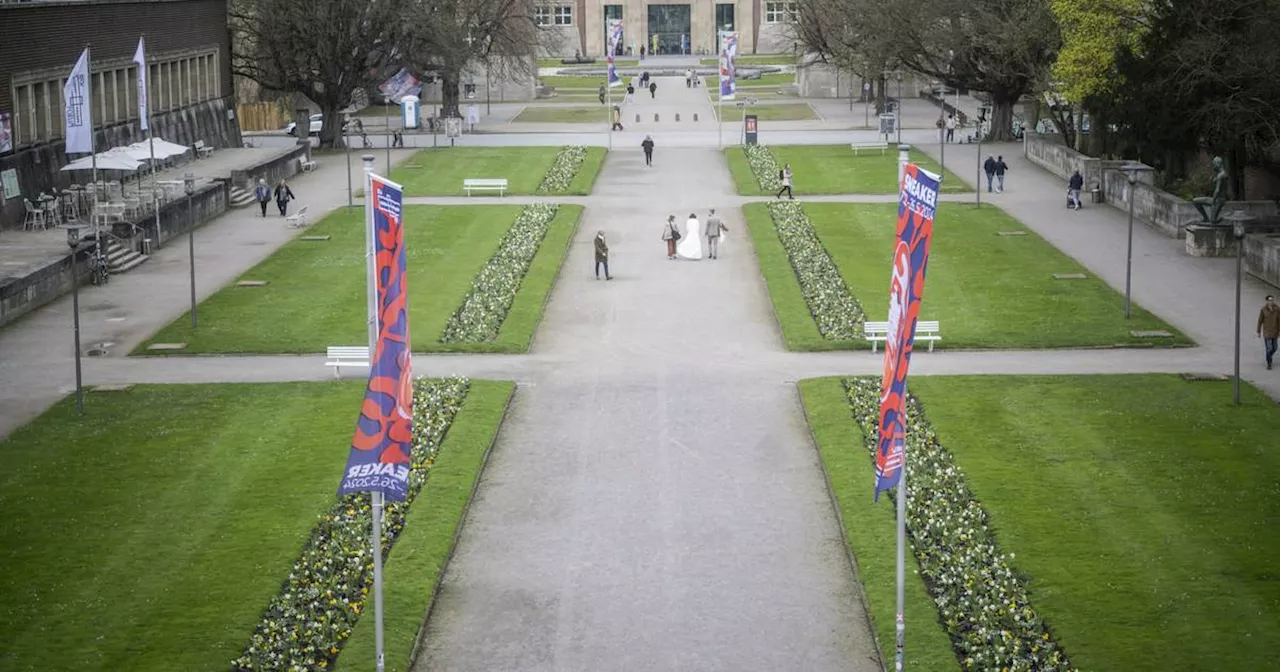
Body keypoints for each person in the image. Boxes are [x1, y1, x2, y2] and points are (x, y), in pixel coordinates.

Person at [1259, 294, 1280, 370]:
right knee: (1269, 348)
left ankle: (1269, 356)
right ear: (1267, 301)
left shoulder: (1277, 309)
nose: (1271, 301)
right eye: (1269, 300)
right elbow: (1260, 321)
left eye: (1272, 300)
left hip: (1275, 332)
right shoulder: (1263, 310)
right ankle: (1269, 363)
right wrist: (1258, 331)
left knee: (1275, 348)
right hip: (1267, 332)